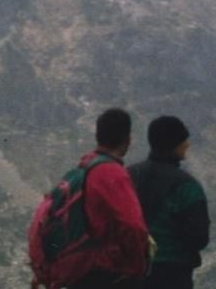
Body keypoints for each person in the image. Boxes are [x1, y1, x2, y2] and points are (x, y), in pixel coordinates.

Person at [50, 108, 152, 289]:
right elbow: (133, 225)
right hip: (107, 272)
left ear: (98, 135)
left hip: (81, 270)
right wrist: (138, 267)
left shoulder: (84, 168)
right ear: (127, 139)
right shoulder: (112, 173)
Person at [129, 116, 211, 289]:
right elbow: (199, 238)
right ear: (174, 144)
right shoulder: (187, 186)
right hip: (172, 273)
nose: (187, 144)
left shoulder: (127, 176)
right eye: (183, 139)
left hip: (130, 271)